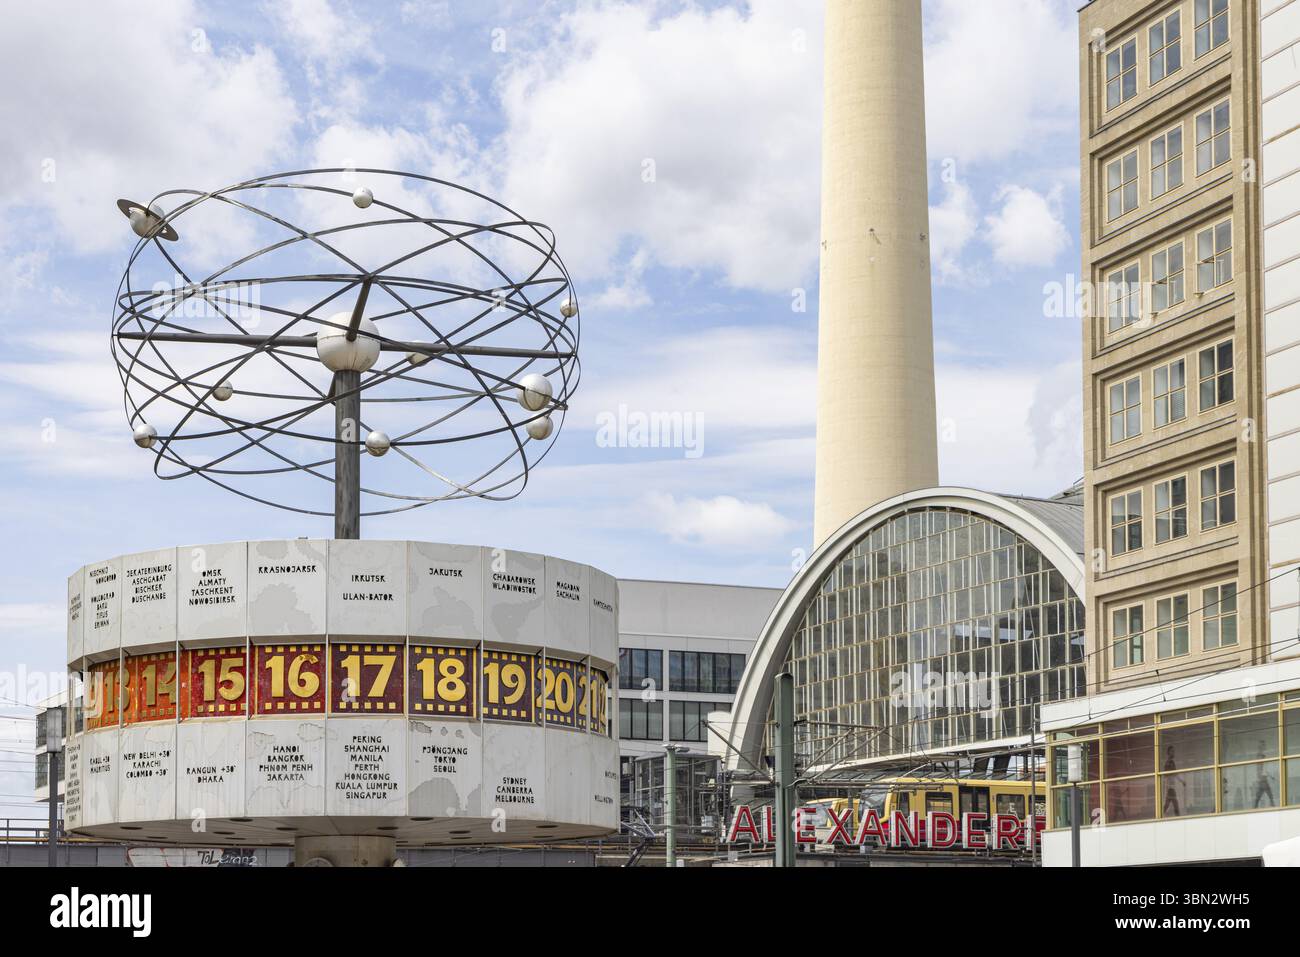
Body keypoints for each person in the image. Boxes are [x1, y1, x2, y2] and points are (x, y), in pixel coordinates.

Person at [1254, 741, 1276, 808]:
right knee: (1269, 793)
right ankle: (1273, 806)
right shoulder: (1260, 756)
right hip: (1263, 779)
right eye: (1263, 745)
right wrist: (1260, 776)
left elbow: (1264, 770)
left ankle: (1255, 807)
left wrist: (1271, 776)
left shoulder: (1262, 757)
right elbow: (1260, 768)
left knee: (1260, 794)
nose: (1265, 746)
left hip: (1263, 779)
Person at [1162, 746, 1181, 817]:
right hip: (1170, 787)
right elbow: (1174, 774)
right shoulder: (1169, 763)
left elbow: (1174, 774)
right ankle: (1178, 817)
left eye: (1174, 751)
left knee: (1167, 803)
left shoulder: (1170, 762)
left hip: (1170, 787)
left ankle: (1160, 814)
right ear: (1168, 753)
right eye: (1172, 751)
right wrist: (1182, 781)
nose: (1173, 753)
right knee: (1175, 802)